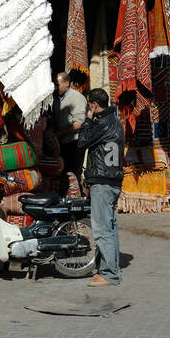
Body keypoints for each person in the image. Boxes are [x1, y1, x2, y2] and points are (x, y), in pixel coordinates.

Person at [76, 88, 125, 289]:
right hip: (113, 181)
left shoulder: (101, 123)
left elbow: (82, 141)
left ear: (94, 105)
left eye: (89, 104)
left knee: (102, 229)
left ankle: (111, 274)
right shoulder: (116, 122)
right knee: (110, 227)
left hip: (103, 182)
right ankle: (106, 270)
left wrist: (87, 120)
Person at [54, 71, 87, 182]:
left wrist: (60, 134)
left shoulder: (77, 98)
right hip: (62, 142)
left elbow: (78, 123)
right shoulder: (58, 98)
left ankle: (75, 197)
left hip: (74, 143)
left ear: (67, 83)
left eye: (57, 84)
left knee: (73, 174)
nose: (56, 87)